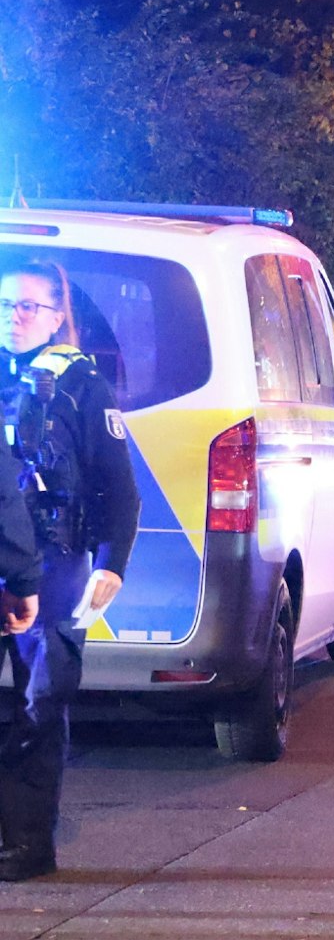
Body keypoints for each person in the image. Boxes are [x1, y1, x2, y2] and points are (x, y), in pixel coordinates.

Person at [0, 258, 140, 881]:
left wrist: (113, 564)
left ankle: (27, 844)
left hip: (56, 565)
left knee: (40, 701)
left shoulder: (80, 385)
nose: (16, 317)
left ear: (58, 318)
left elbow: (118, 487)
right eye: (7, 304)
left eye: (31, 306)